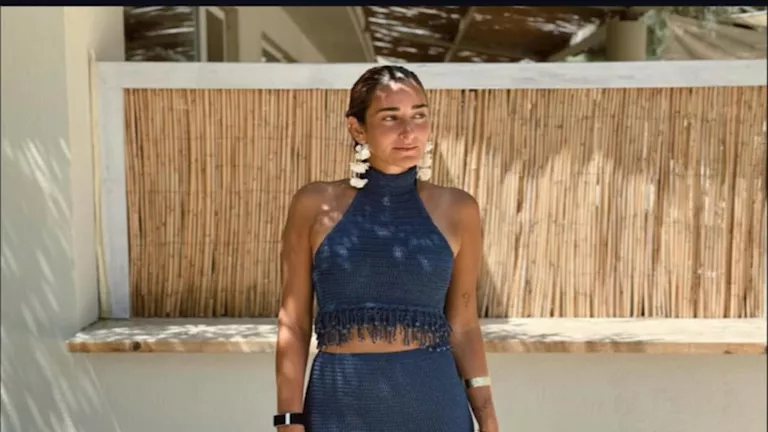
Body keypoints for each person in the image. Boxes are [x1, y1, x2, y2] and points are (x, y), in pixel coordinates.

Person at [274, 65, 498, 432]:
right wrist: (287, 420)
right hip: (339, 408)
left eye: (419, 115)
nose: (409, 131)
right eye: (391, 117)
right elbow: (294, 323)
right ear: (357, 128)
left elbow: (464, 325)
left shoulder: (458, 209)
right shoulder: (314, 205)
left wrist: (487, 417)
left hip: (435, 406)